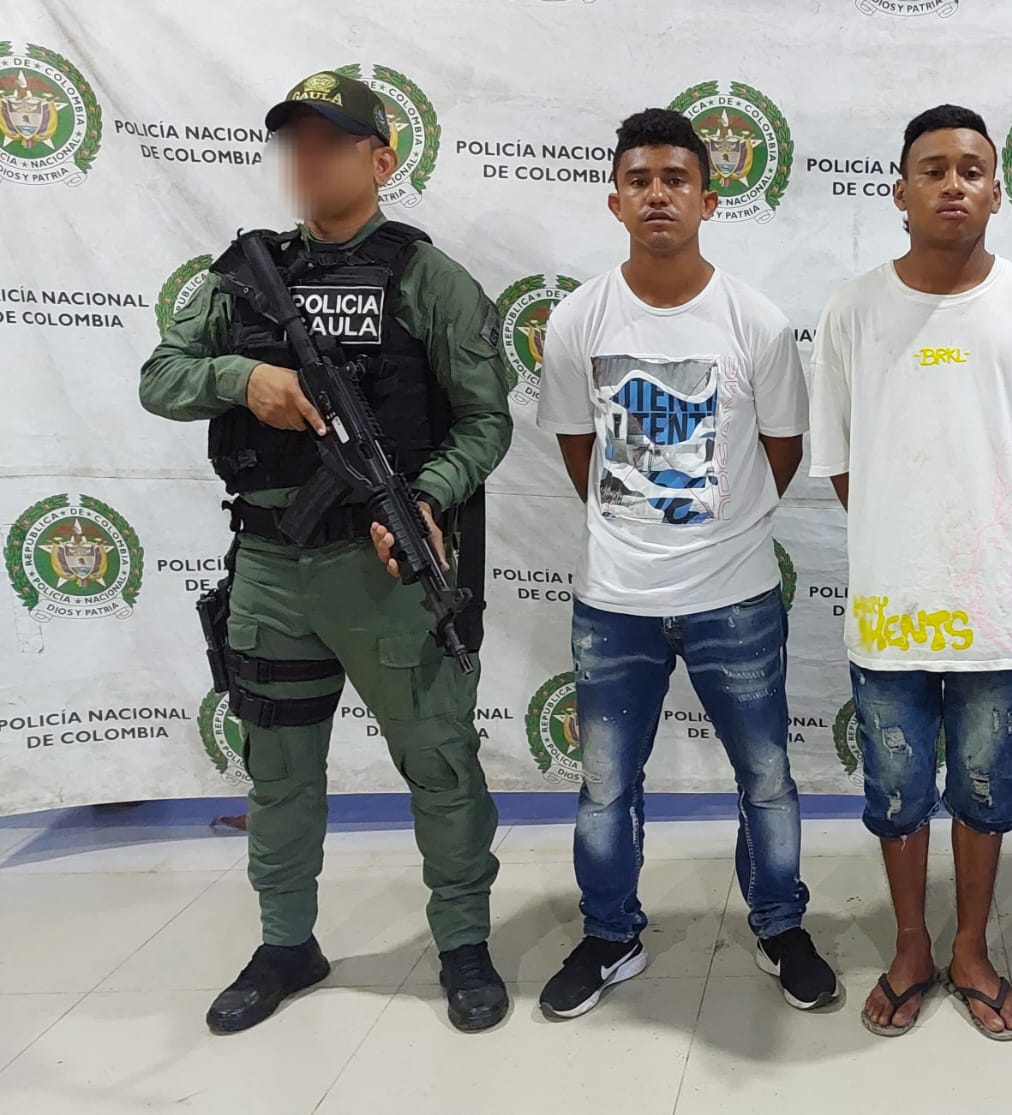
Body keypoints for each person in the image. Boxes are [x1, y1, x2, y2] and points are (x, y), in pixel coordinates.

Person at [139, 72, 512, 1035]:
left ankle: (464, 943)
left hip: (385, 569)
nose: (307, 161)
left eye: (331, 144)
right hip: (268, 566)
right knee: (280, 768)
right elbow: (162, 377)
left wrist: (425, 496)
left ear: (381, 160)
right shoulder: (243, 275)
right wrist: (245, 376)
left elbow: (485, 423)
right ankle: (286, 942)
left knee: (439, 761)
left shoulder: (430, 279)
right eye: (294, 144)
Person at [533, 107, 837, 1019]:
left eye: (675, 178)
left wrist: (718, 524)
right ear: (614, 198)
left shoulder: (755, 319)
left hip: (734, 596)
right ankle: (610, 932)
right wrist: (641, 527)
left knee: (769, 778)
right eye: (639, 180)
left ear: (709, 197)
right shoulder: (579, 319)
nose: (657, 193)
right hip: (614, 599)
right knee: (604, 786)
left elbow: (780, 452)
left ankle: (780, 923)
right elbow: (580, 454)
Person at [809, 105, 1012, 1041]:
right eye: (933, 168)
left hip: (995, 605)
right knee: (895, 789)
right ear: (899, 192)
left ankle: (970, 947)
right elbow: (842, 464)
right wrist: (909, 537)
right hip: (893, 601)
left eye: (972, 169)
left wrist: (978, 543)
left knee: (987, 789)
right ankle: (911, 942)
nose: (953, 183)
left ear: (998, 192)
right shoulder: (851, 309)